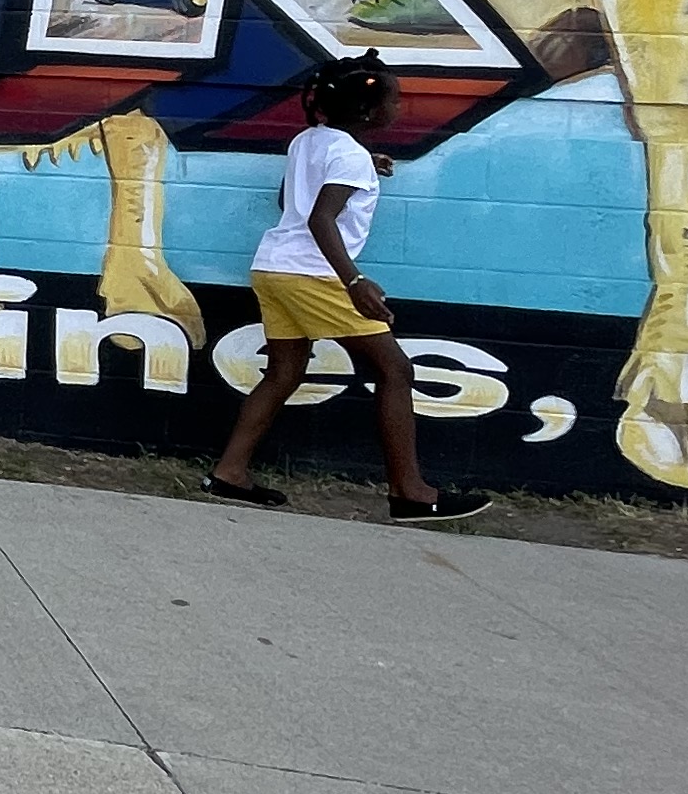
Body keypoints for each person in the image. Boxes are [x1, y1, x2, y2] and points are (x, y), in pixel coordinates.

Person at [206, 51, 492, 525]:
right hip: (311, 274)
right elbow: (321, 219)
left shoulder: (309, 141)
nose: (398, 107)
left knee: (283, 372)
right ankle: (411, 493)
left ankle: (229, 473)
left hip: (273, 267)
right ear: (366, 111)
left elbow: (289, 200)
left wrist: (362, 165)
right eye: (393, 101)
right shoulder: (350, 156)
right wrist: (354, 281)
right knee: (395, 370)